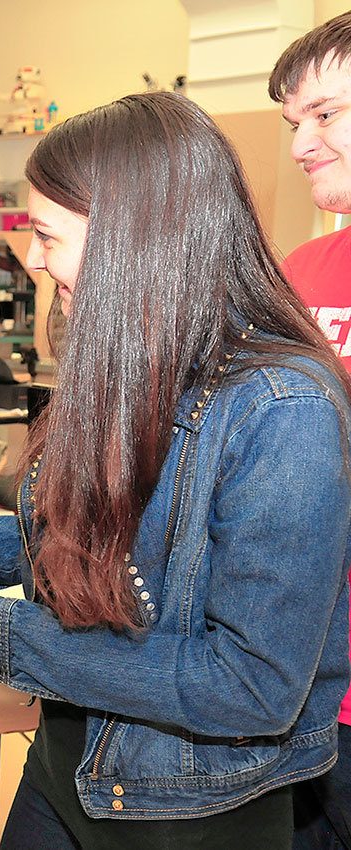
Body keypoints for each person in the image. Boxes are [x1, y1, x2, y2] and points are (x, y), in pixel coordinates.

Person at [0, 91, 351, 850]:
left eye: (46, 235)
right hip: (72, 758)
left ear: (135, 239)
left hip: (187, 808)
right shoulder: (128, 366)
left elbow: (252, 686)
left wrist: (1, 635)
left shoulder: (281, 409)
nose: (31, 259)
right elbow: (79, 524)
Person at [272, 13, 351, 848]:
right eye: (295, 121)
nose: (300, 144)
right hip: (298, 676)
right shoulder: (302, 272)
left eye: (324, 114)